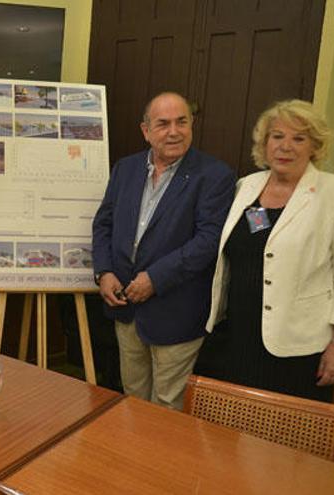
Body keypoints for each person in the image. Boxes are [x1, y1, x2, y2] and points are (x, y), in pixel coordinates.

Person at [200, 100, 334, 402]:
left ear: (314, 146)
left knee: (281, 441)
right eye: (277, 136)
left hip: (296, 346)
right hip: (235, 337)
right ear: (265, 144)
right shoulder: (246, 186)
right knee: (227, 434)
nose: (285, 146)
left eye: (298, 138)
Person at [91, 92, 235, 409]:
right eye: (163, 124)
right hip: (125, 307)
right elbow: (103, 224)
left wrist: (155, 279)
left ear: (192, 124)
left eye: (181, 122)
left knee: (168, 406)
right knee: (132, 399)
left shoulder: (214, 176)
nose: (174, 131)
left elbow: (208, 241)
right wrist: (104, 272)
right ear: (145, 131)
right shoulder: (125, 169)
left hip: (177, 312)